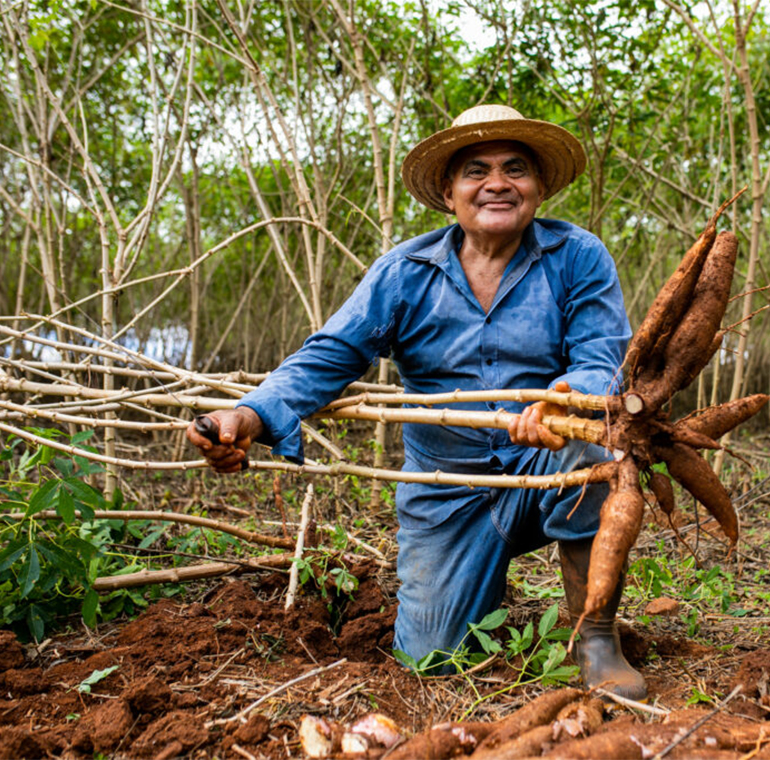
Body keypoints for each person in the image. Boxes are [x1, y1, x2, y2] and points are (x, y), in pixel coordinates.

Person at [187, 104, 645, 700]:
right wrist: (246, 415)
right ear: (450, 193)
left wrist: (565, 402)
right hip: (445, 486)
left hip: (545, 462)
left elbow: (600, 358)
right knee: (429, 659)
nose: (498, 183)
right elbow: (329, 356)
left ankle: (595, 634)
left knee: (597, 445)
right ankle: (469, 583)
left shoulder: (577, 256)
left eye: (515, 168)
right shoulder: (404, 273)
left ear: (537, 188)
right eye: (476, 171)